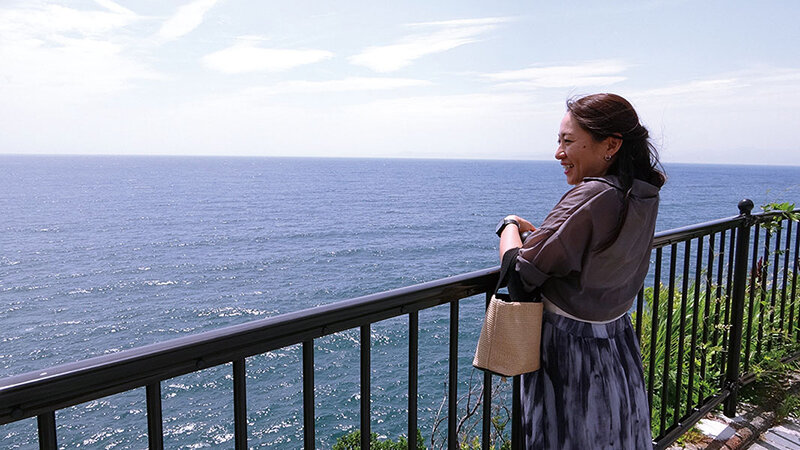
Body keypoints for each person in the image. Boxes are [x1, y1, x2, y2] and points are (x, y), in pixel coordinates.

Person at [495, 93, 665, 449]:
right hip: (616, 341)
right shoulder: (642, 193)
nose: (559, 153)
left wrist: (509, 225)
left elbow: (520, 271)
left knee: (564, 436)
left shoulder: (593, 195)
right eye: (559, 141)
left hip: (571, 351)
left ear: (611, 145)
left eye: (568, 141)